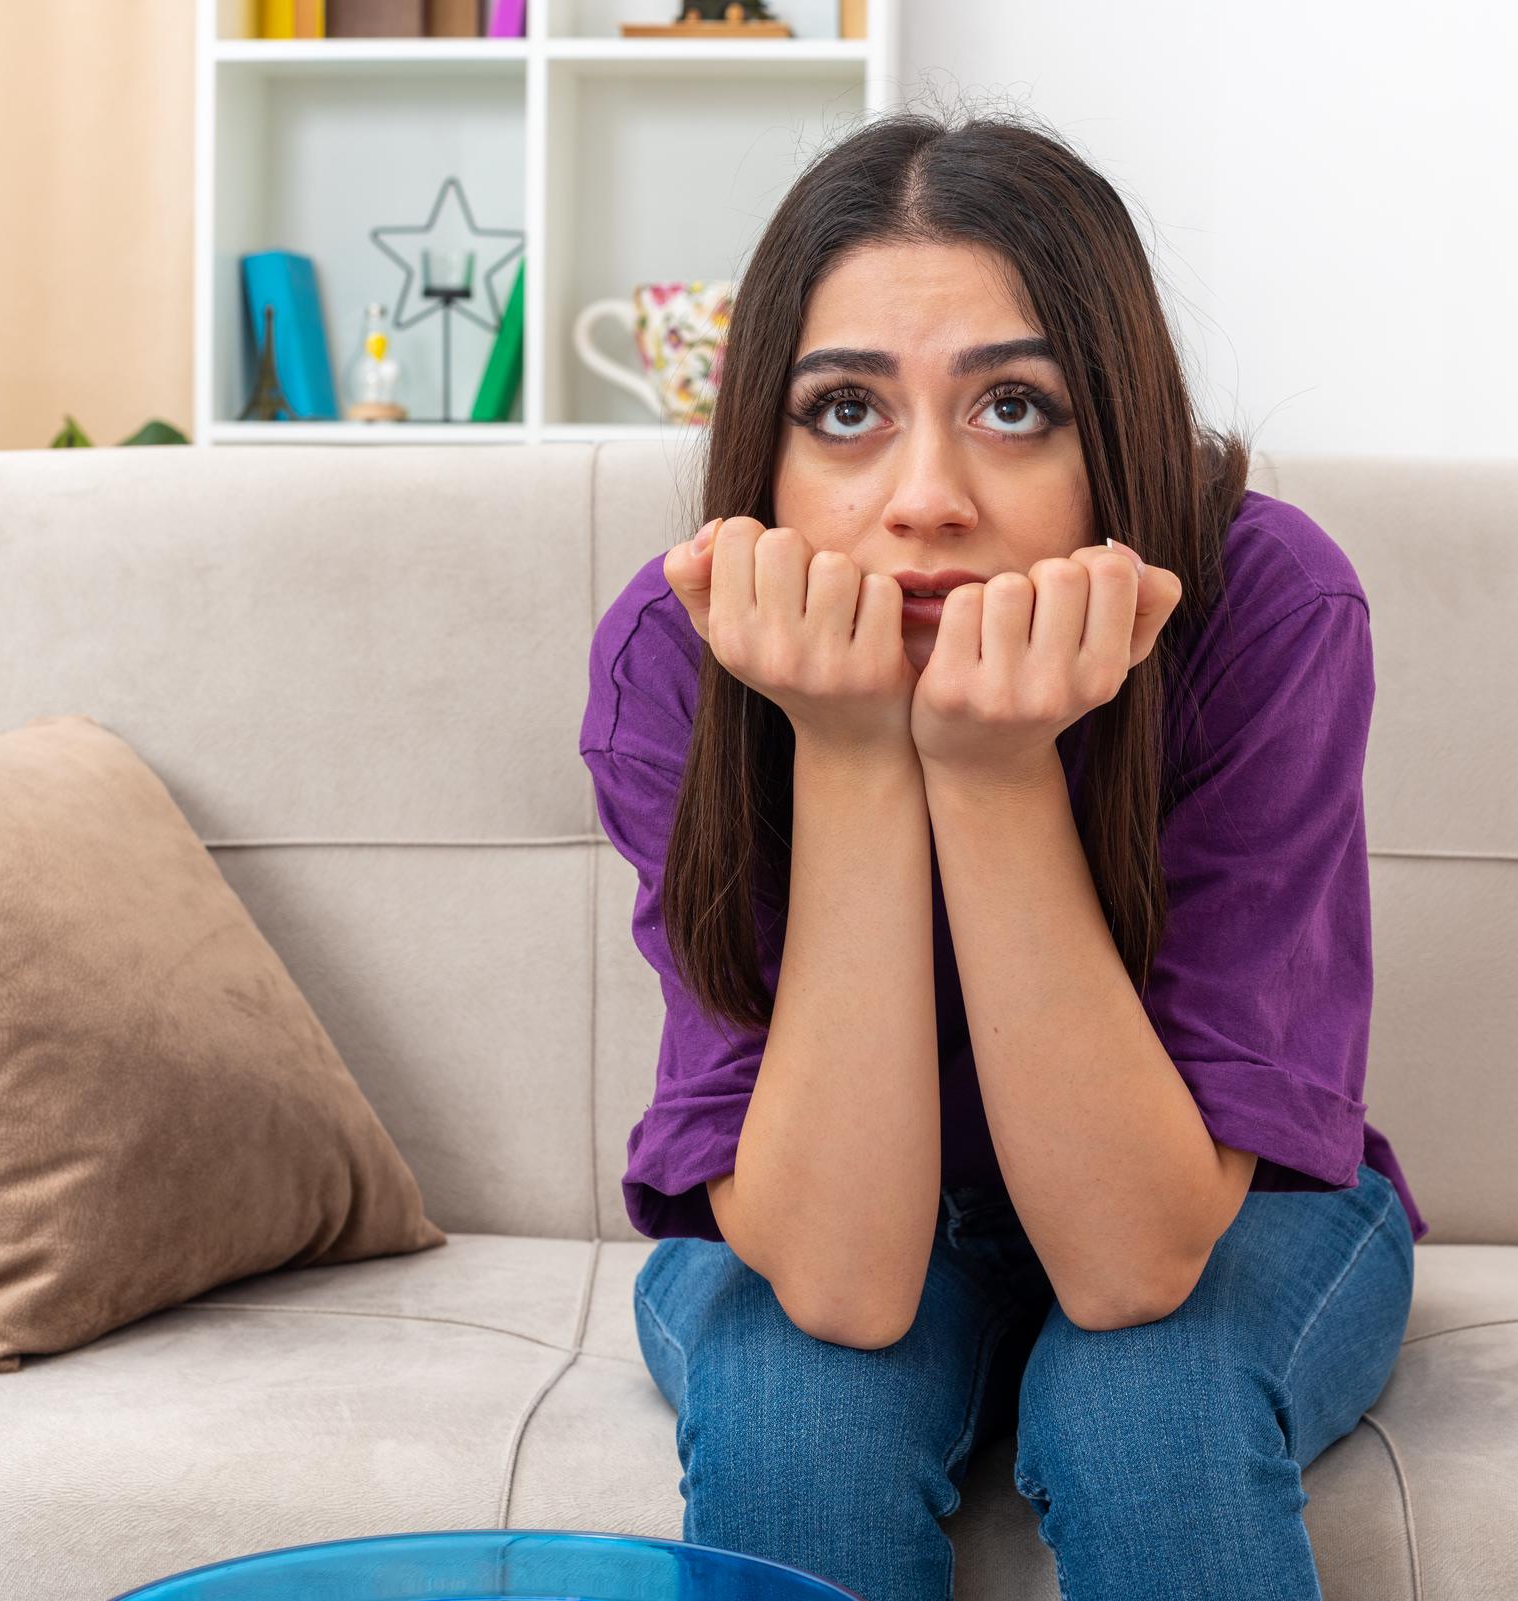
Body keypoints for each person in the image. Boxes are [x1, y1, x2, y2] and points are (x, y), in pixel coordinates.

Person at [579, 101, 1425, 1601]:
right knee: (796, 1413)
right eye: (845, 410)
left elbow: (1133, 1264)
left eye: (1014, 407)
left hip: (1224, 1199)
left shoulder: (1270, 609)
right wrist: (847, 754)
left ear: (1119, 434)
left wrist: (988, 770)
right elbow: (839, 1281)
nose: (924, 501)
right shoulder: (679, 651)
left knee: (1147, 1406)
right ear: (761, 456)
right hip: (818, 1197)